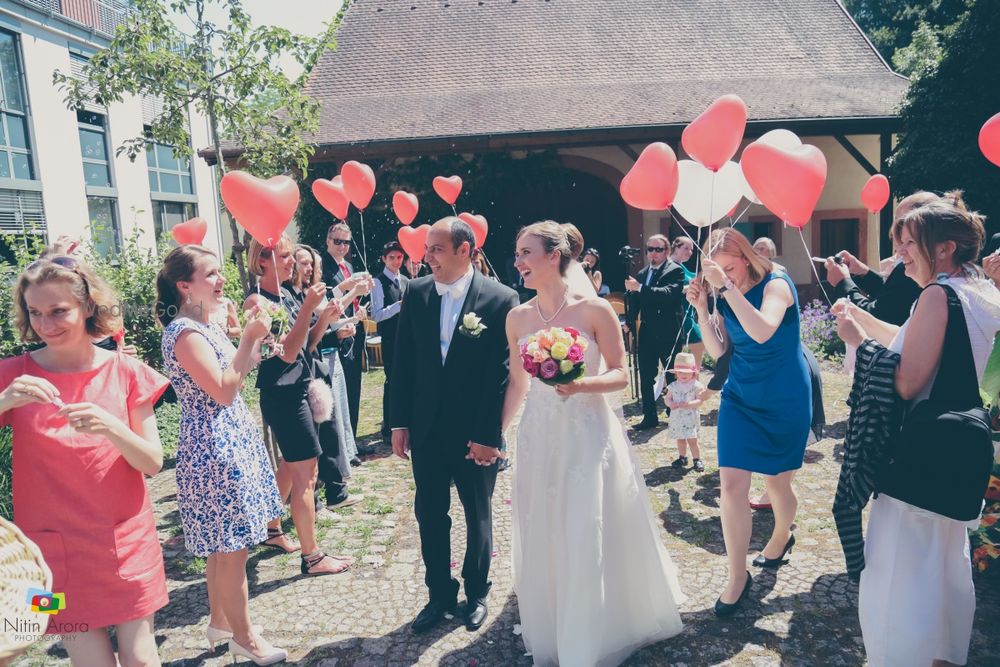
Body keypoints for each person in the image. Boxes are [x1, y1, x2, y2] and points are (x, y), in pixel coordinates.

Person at [503, 221, 684, 664]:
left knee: (586, 522)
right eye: (517, 253)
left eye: (526, 252)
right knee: (545, 522)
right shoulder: (518, 317)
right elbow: (516, 383)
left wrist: (582, 385)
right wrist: (497, 437)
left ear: (553, 256)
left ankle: (596, 627)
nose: (518, 261)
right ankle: (555, 621)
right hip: (540, 436)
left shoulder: (595, 310)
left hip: (587, 433)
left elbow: (623, 375)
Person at [834, 198, 1000, 667]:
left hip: (921, 450)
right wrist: (864, 323)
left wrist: (857, 345)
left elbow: (908, 379)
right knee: (947, 565)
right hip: (961, 445)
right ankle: (943, 656)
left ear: (945, 248)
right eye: (900, 243)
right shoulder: (978, 290)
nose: (902, 252)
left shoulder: (936, 295)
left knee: (896, 573)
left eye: (910, 243)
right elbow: (924, 348)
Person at [0, 255, 168, 666]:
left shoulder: (127, 371)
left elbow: (152, 463)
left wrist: (113, 428)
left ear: (88, 306)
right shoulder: (12, 374)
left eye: (58, 311)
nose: (45, 324)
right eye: (35, 312)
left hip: (126, 542)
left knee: (141, 659)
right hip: (50, 554)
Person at [156, 246, 287, 665]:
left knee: (223, 548)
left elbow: (237, 372)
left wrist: (254, 339)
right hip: (214, 447)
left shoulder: (203, 324)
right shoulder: (184, 332)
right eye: (210, 273)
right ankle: (244, 639)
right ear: (184, 285)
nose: (221, 280)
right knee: (232, 551)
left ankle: (220, 622)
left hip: (228, 437)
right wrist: (247, 337)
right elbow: (223, 389)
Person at [390, 217, 519, 634]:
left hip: (473, 431)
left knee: (477, 512)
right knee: (430, 512)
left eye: (436, 249)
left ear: (466, 250)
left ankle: (477, 591)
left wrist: (488, 436)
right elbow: (403, 361)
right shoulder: (418, 291)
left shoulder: (501, 298)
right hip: (426, 428)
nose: (427, 257)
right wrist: (399, 422)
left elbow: (500, 373)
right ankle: (438, 594)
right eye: (427, 248)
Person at [686, 228, 811, 617]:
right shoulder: (724, 292)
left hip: (784, 397)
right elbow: (719, 350)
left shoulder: (777, 283)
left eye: (730, 267)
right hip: (741, 397)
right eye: (717, 270)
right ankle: (737, 575)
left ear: (746, 259)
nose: (725, 274)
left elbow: (760, 331)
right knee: (731, 486)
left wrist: (724, 289)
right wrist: (703, 311)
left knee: (777, 483)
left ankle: (781, 534)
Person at [245, 235, 358, 577]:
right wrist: (309, 308)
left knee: (290, 465)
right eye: (284, 256)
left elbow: (307, 344)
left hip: (300, 387)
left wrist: (324, 317)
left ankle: (271, 529)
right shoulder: (257, 301)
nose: (292, 261)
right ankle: (312, 557)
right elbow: (286, 353)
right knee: (306, 474)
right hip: (283, 394)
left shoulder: (289, 294)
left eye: (291, 256)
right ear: (262, 261)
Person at [823, 193, 930, 327]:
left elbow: (877, 317)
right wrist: (864, 273)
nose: (895, 231)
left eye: (901, 223)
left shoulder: (915, 265)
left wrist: (842, 283)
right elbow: (894, 296)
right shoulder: (918, 264)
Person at [625, 233, 686, 431]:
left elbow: (668, 295)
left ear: (667, 251)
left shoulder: (675, 271)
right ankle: (650, 416)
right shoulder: (642, 273)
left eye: (658, 249)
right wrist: (629, 321)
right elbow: (636, 302)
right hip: (648, 332)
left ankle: (675, 413)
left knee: (671, 375)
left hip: (669, 331)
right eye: (650, 249)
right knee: (646, 375)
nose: (653, 253)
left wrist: (640, 288)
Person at [322, 222, 368, 436]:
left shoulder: (348, 267)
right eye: (337, 241)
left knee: (353, 387)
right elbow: (326, 301)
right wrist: (347, 287)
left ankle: (353, 439)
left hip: (353, 330)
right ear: (328, 241)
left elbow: (352, 298)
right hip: (334, 334)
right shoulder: (322, 266)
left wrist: (359, 310)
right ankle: (343, 442)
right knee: (339, 391)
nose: (342, 246)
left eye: (346, 242)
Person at [371, 241, 409, 439]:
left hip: (407, 339)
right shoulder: (378, 282)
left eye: (399, 257)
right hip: (390, 339)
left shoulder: (405, 280)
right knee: (392, 382)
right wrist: (398, 306)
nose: (396, 261)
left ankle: (406, 422)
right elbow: (376, 315)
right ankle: (389, 426)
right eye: (392, 257)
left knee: (407, 380)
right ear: (384, 259)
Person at [665, 351, 706, 472]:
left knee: (692, 440)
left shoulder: (696, 386)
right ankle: (682, 457)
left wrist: (689, 404)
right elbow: (667, 398)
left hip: (690, 417)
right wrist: (670, 404)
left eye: (687, 372)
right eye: (680, 372)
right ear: (676, 373)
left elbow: (700, 400)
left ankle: (697, 459)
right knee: (680, 439)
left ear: (693, 372)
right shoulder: (673, 385)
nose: (683, 375)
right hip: (677, 417)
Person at [670, 236, 705, 368]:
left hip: (688, 313)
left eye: (691, 249)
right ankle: (692, 381)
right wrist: (689, 288)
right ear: (676, 247)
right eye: (686, 248)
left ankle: (687, 381)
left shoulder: (681, 266)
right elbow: (669, 290)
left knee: (683, 350)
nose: (690, 252)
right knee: (698, 344)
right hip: (679, 314)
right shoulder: (670, 266)